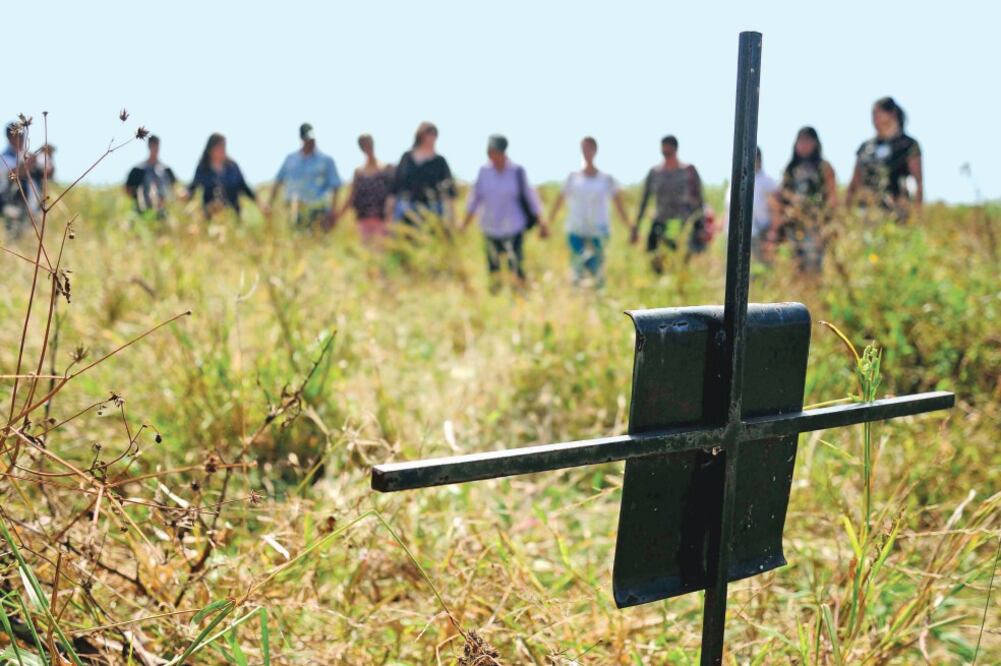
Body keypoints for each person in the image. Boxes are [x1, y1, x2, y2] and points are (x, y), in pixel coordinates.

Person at [461, 135, 544, 289]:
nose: (493, 156)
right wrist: (464, 224)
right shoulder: (483, 172)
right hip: (490, 228)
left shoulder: (517, 172)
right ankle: (495, 300)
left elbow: (530, 197)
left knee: (516, 267)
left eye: (495, 152)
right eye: (490, 153)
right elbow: (474, 199)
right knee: (494, 270)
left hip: (514, 227)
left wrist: (541, 223)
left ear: (503, 152)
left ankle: (519, 299)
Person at [547, 136, 632, 286]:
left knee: (597, 270)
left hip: (599, 232)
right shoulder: (573, 178)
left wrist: (630, 227)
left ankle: (597, 302)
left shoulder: (606, 179)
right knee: (577, 270)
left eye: (589, 149)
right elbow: (559, 201)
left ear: (595, 151)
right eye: (583, 149)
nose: (586, 152)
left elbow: (619, 206)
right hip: (576, 230)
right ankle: (579, 304)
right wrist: (548, 223)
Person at [633, 135, 708, 270]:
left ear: (675, 150)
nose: (666, 156)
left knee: (679, 261)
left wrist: (701, 226)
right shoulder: (654, 173)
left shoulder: (688, 171)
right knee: (655, 261)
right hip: (660, 222)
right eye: (664, 152)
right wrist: (636, 226)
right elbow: (644, 200)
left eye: (669, 152)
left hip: (680, 223)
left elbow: (699, 199)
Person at [774, 127, 837, 274]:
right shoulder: (790, 169)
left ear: (815, 143)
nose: (803, 145)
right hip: (793, 228)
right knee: (794, 268)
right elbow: (782, 198)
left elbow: (832, 198)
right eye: (800, 141)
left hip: (815, 228)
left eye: (807, 141)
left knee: (813, 269)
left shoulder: (823, 167)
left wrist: (826, 224)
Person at [847, 97, 923, 218]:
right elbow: (854, 182)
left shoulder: (908, 145)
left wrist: (917, 214)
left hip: (897, 214)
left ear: (892, 114)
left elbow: (917, 183)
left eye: (877, 113)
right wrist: (846, 210)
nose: (874, 118)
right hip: (866, 213)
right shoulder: (865, 147)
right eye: (873, 114)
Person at [268, 123, 342, 229]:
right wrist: (270, 204)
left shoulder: (326, 160)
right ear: (301, 139)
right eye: (307, 139)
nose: (311, 142)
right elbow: (278, 181)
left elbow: (335, 187)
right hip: (294, 210)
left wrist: (332, 211)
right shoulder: (290, 159)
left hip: (318, 212)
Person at [388, 121, 456, 228]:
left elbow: (449, 191)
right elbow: (395, 186)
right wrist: (389, 212)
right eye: (429, 134)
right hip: (406, 210)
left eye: (434, 135)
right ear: (420, 136)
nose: (432, 138)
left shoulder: (440, 161)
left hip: (432, 212)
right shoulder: (406, 158)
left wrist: (451, 219)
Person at [722, 147, 779, 263]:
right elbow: (728, 209)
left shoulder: (768, 181)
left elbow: (776, 210)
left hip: (759, 235)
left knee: (759, 273)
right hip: (733, 236)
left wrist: (772, 234)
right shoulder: (736, 180)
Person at [186, 133, 259, 218]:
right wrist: (186, 193)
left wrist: (258, 202)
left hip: (233, 214)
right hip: (211, 216)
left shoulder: (232, 166)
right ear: (210, 149)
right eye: (219, 147)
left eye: (223, 146)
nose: (222, 150)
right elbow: (194, 185)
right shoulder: (203, 168)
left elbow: (243, 186)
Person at [339, 134, 393, 245]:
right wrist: (337, 217)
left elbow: (391, 196)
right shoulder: (358, 172)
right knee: (366, 254)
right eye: (363, 145)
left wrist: (389, 218)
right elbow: (351, 197)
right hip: (363, 220)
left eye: (368, 144)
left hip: (381, 220)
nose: (367, 147)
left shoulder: (386, 169)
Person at [0, 122, 39, 239]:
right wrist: (28, 163)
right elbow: (13, 174)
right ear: (10, 137)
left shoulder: (24, 155)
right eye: (19, 135)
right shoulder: (4, 158)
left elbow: (49, 172)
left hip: (30, 210)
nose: (22, 139)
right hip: (11, 208)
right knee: (13, 241)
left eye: (23, 135)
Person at [124, 135, 176, 219]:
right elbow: (127, 189)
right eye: (153, 145)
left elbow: (173, 189)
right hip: (142, 213)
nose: (155, 148)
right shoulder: (138, 170)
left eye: (156, 145)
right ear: (149, 146)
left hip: (162, 214)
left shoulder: (166, 170)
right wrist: (139, 198)